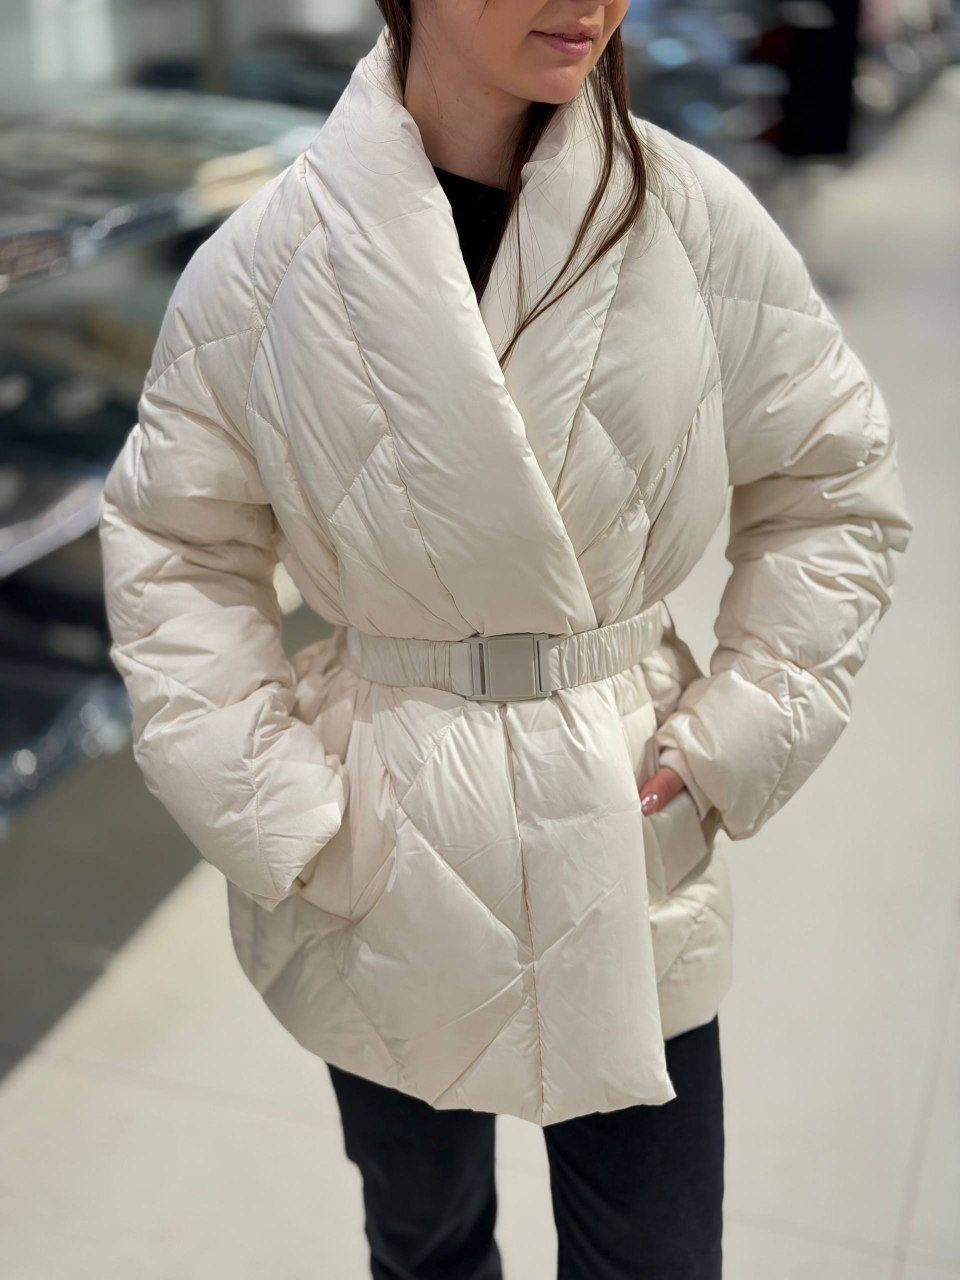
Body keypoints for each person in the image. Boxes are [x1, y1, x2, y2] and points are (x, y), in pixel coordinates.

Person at [98, 4, 913, 1277]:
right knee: (424, 1242)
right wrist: (277, 804)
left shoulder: (688, 218)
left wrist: (741, 729)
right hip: (387, 821)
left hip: (623, 803)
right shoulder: (271, 258)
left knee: (656, 1249)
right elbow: (176, 547)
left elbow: (833, 483)